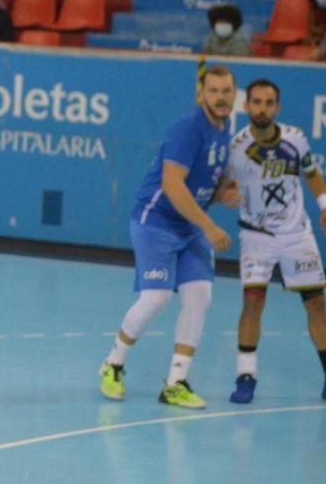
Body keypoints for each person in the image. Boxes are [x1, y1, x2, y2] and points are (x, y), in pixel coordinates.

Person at [98, 65, 240, 409]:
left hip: (190, 227)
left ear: (235, 94)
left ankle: (176, 382)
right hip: (157, 222)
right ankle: (113, 364)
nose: (221, 98)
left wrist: (223, 192)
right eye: (214, 91)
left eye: (226, 91)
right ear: (201, 95)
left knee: (200, 297)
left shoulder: (225, 130)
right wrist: (209, 226)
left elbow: (206, 181)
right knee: (157, 298)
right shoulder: (188, 129)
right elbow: (172, 185)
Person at [224, 78, 326, 404]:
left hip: (297, 234)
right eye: (256, 102)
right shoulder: (236, 148)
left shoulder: (296, 138)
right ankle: (245, 377)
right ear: (246, 106)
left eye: (269, 103)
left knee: (317, 304)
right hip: (257, 235)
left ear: (277, 107)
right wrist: (226, 194)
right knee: (253, 301)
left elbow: (311, 173)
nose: (262, 109)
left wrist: (324, 204)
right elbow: (224, 185)